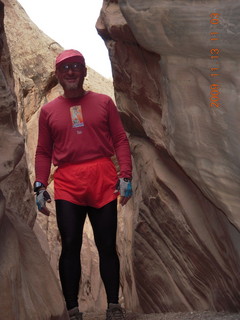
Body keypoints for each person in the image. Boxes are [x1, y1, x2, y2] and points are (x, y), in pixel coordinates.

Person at [34, 49, 132, 320]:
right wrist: (40, 185)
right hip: (68, 182)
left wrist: (126, 174)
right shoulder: (48, 112)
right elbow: (43, 151)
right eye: (65, 68)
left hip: (102, 177)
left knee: (106, 245)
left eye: (76, 66)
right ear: (57, 75)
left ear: (85, 71)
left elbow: (120, 139)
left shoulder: (104, 102)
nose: (71, 71)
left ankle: (113, 306)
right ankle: (73, 310)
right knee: (70, 245)